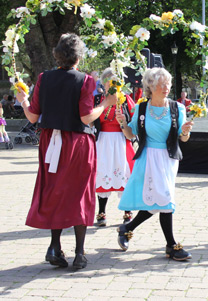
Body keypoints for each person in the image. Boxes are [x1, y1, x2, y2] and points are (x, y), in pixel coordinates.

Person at [17, 33, 117, 270]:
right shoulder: (85, 81)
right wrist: (105, 104)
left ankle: (54, 246)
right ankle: (80, 253)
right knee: (80, 193)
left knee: (55, 190)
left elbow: (32, 116)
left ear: (56, 55)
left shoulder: (44, 78)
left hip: (50, 142)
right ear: (79, 58)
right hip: (77, 143)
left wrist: (23, 101)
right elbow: (86, 116)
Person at [115, 67, 194, 261]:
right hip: (148, 158)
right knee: (164, 199)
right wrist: (123, 123)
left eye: (167, 83)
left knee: (157, 199)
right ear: (150, 86)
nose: (166, 87)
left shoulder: (177, 108)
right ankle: (171, 245)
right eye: (161, 84)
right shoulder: (141, 109)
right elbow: (131, 134)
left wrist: (185, 131)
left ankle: (127, 228)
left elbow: (183, 139)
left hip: (168, 159)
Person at [93, 67, 136, 227]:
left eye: (114, 82)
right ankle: (102, 211)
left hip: (121, 141)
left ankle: (127, 211)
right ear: (103, 84)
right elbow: (91, 118)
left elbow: (135, 119)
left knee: (124, 174)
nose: (110, 85)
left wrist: (124, 120)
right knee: (103, 174)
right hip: (103, 141)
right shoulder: (99, 100)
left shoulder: (125, 99)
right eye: (108, 82)